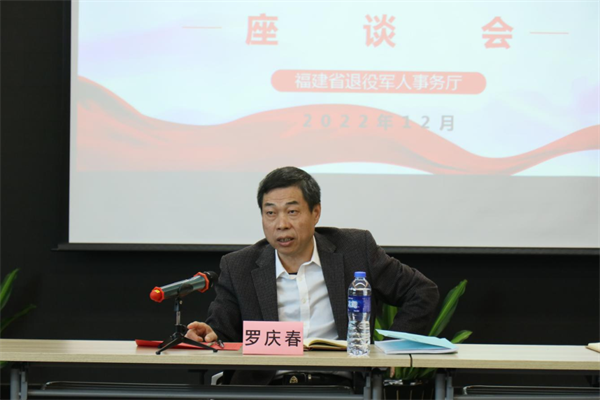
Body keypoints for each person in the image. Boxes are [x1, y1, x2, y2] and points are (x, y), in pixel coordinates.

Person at [186, 166, 439, 385]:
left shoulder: (355, 249)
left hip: (342, 389)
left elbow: (421, 291)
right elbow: (221, 332)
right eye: (270, 213)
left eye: (292, 212)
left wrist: (388, 350)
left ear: (315, 213)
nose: (281, 224)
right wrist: (208, 334)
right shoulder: (239, 266)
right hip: (265, 390)